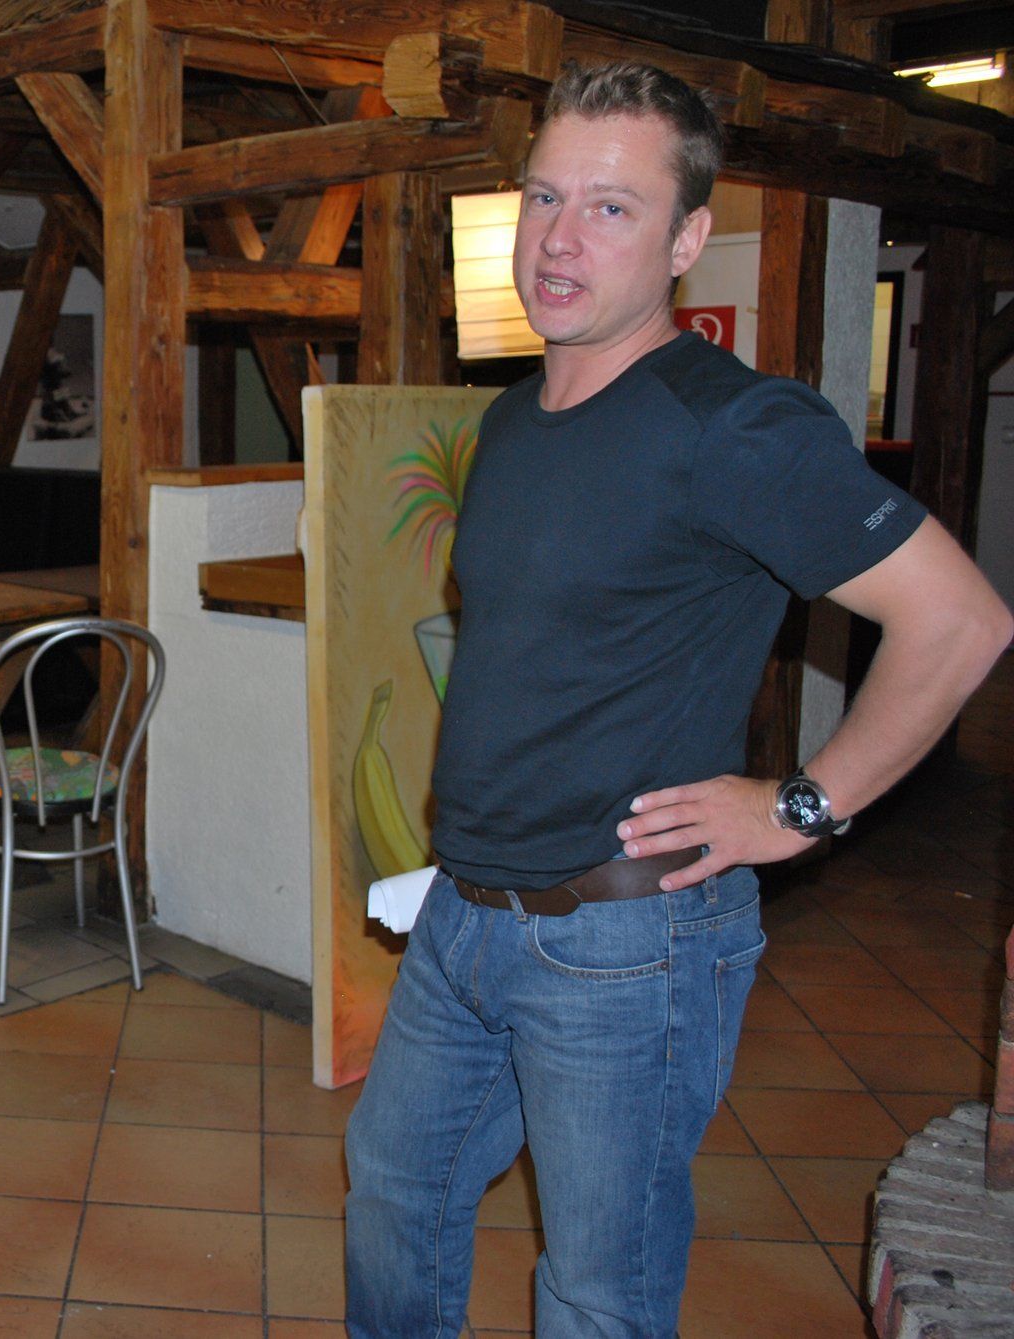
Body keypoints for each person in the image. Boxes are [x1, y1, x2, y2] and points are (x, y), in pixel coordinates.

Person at [343, 60, 1012, 1338]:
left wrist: (801, 807)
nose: (558, 237)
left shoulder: (735, 428)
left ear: (685, 240)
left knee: (594, 1289)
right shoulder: (509, 424)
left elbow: (959, 620)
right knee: (393, 1186)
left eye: (610, 207)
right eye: (544, 197)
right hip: (463, 912)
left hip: (621, 943)